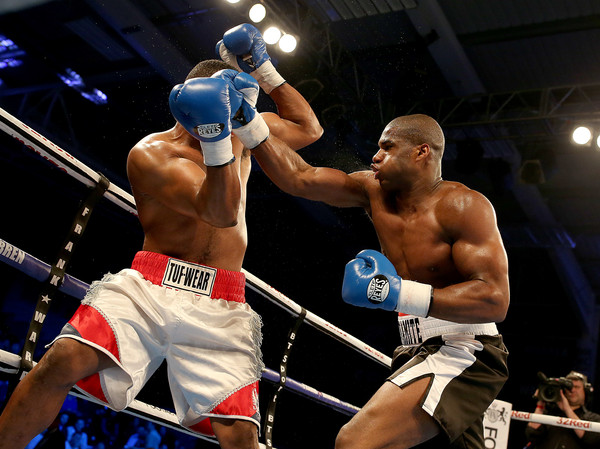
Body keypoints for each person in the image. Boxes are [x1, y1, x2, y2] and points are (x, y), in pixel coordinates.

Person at [0, 23, 322, 449]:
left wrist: (264, 71)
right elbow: (222, 212)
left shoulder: (242, 130)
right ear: (184, 104)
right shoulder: (152, 154)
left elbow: (308, 128)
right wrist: (216, 133)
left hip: (221, 299)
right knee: (60, 361)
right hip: (151, 286)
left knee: (242, 435)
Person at [250, 113, 510, 448]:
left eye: (387, 147)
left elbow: (494, 298)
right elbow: (300, 178)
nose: (375, 156)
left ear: (421, 152)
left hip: (463, 349)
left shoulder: (463, 206)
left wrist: (398, 293)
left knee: (355, 443)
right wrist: (248, 124)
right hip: (411, 347)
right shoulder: (372, 191)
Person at [525, 371, 600, 448]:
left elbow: (590, 439)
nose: (572, 390)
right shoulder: (550, 414)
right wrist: (540, 404)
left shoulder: (593, 418)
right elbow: (532, 434)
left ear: (586, 391)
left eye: (577, 387)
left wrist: (567, 409)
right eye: (569, 387)